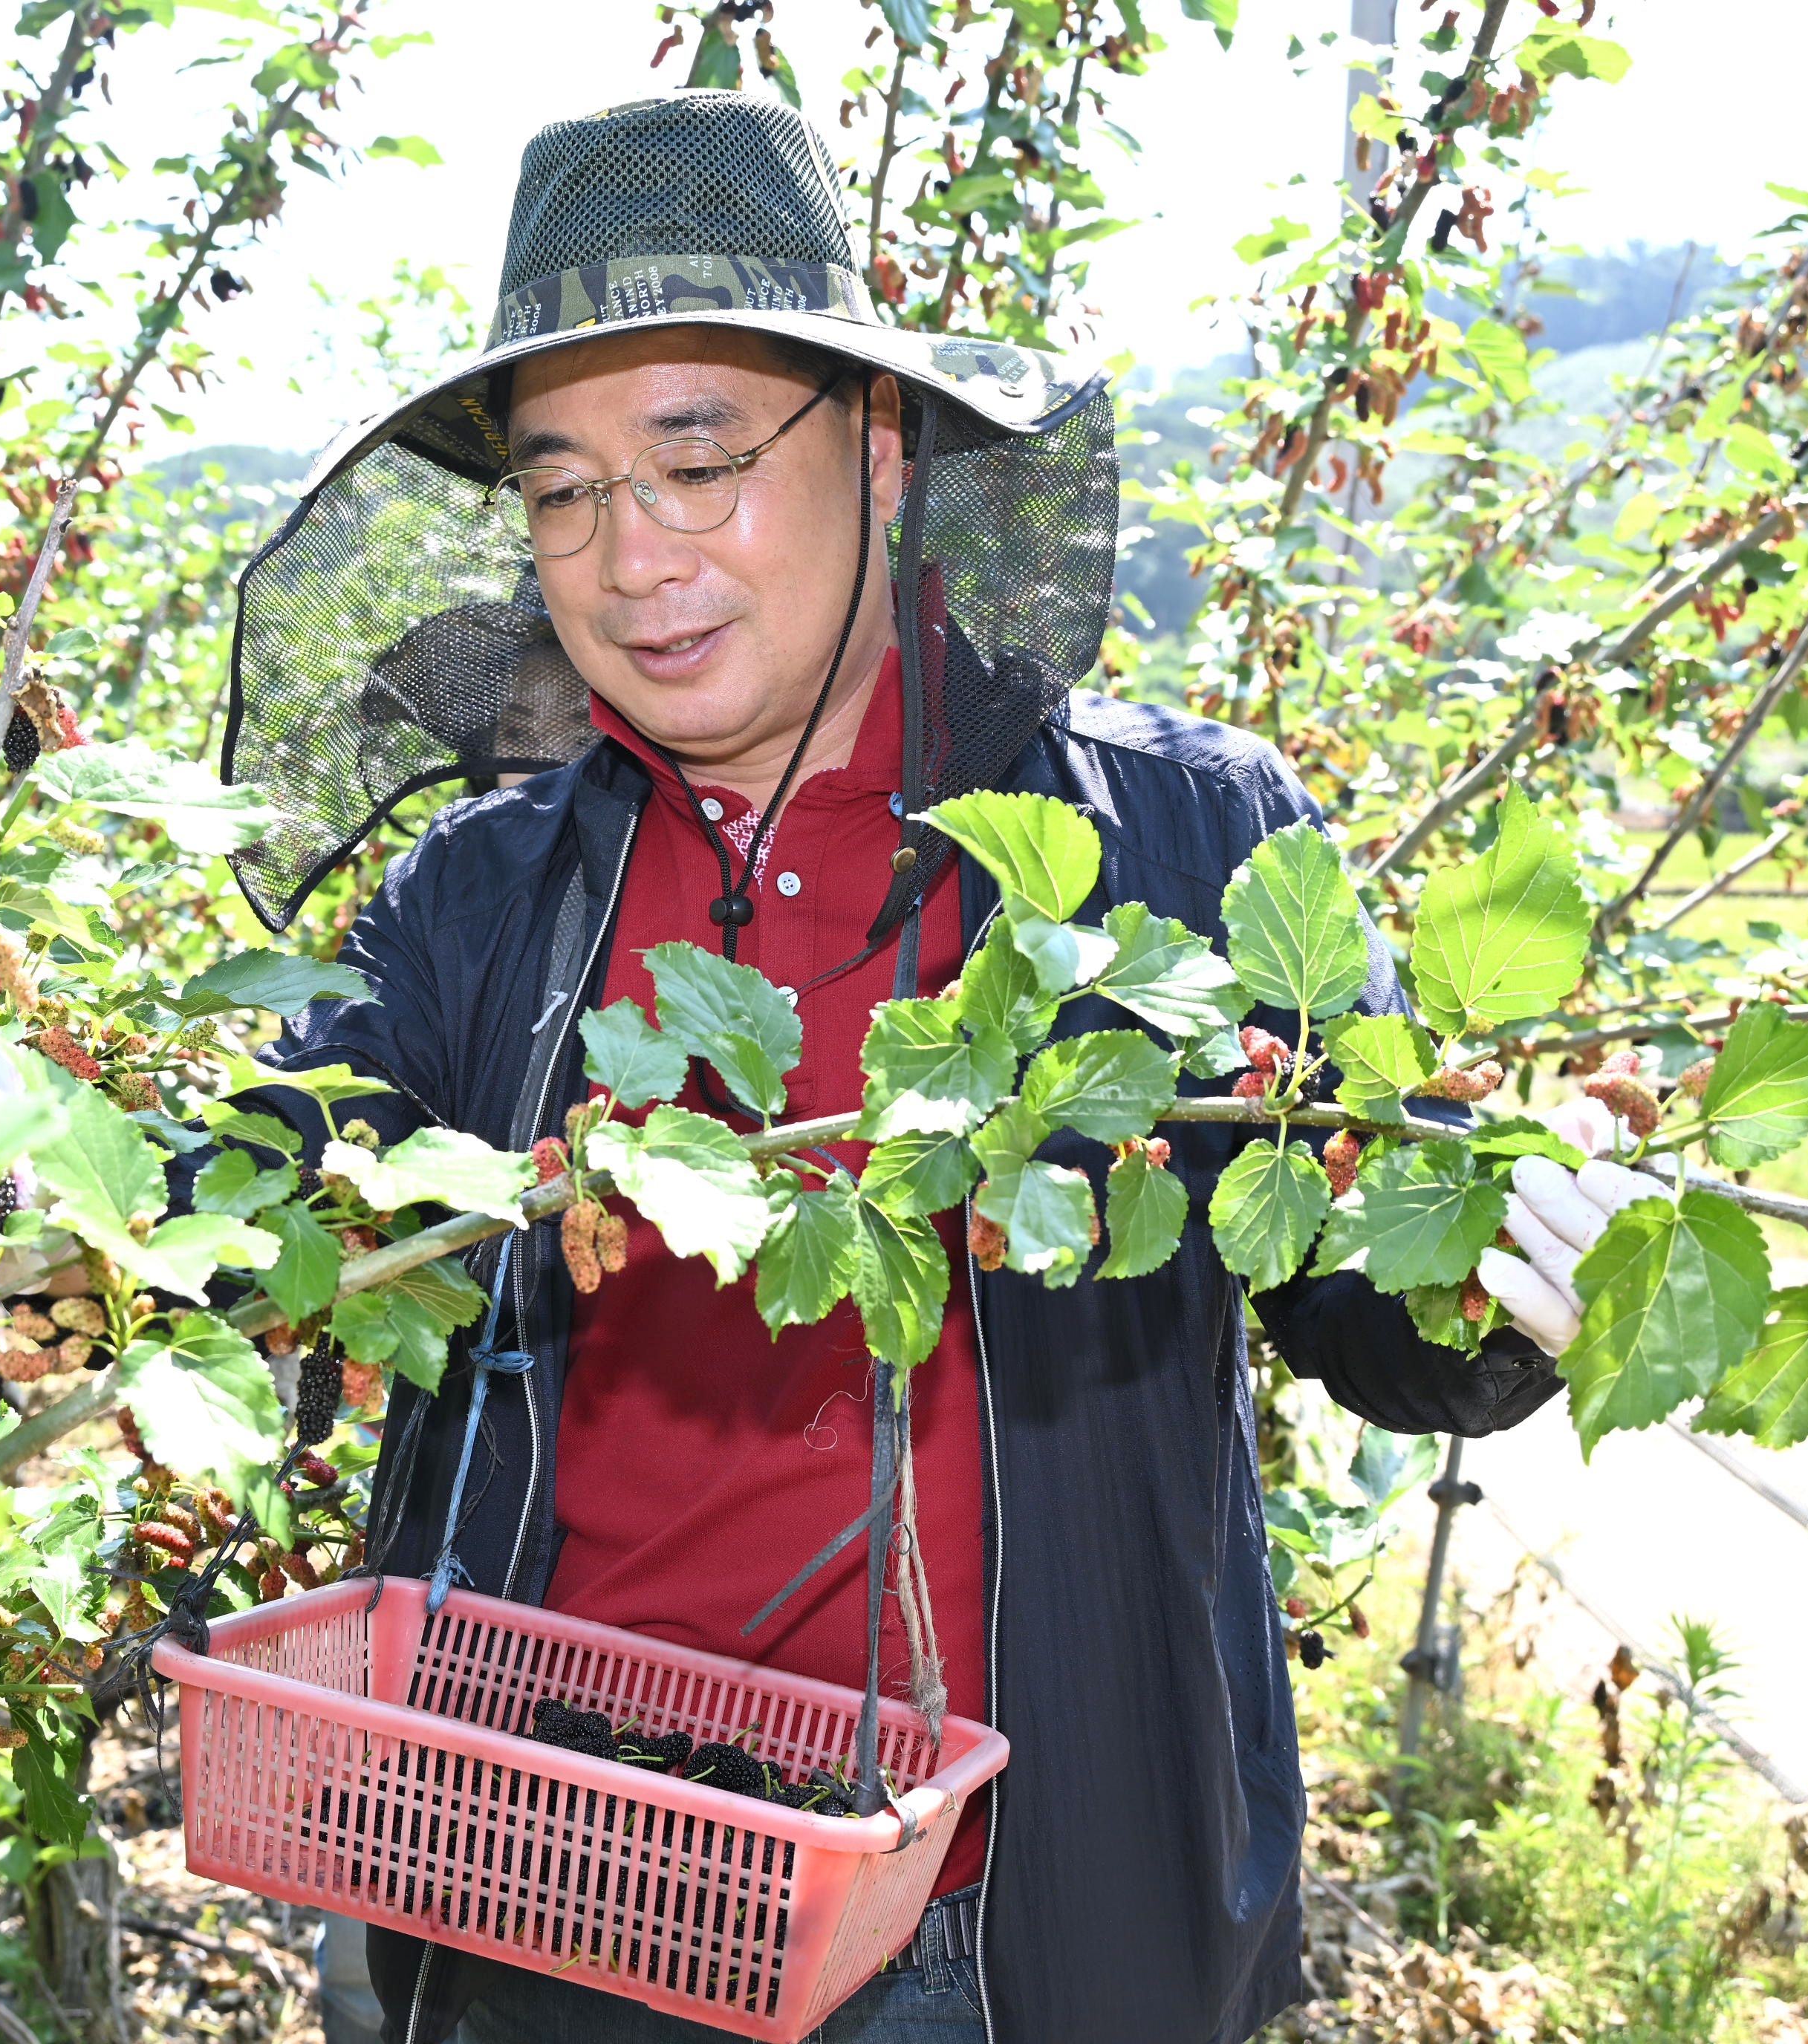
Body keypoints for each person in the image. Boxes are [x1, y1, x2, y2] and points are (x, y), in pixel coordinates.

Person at [211, 90, 1633, 2044]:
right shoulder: (483, 907)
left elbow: (1371, 1302)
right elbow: (255, 1207)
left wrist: (1493, 1264)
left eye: (698, 463)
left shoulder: (1173, 845)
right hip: (565, 1880)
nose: (632, 559)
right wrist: (10, 1241)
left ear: (880, 453)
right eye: (564, 492)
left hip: (1021, 1917)